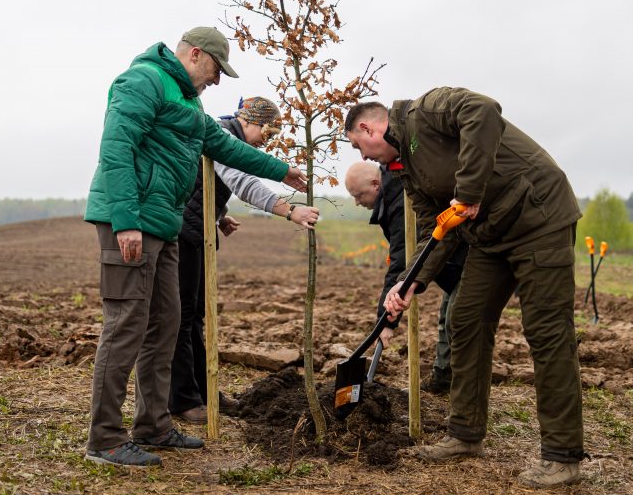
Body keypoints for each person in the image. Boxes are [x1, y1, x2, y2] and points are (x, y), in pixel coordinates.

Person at [83, 27, 307, 467]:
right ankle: (104, 438)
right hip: (131, 221)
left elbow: (223, 145)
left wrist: (281, 171)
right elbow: (116, 147)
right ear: (195, 54)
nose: (219, 81)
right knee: (126, 323)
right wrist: (126, 221)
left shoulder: (189, 100)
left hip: (165, 226)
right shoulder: (143, 80)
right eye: (216, 70)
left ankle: (152, 424)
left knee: (167, 322)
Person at [344, 88, 585, 488]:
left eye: (359, 146)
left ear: (369, 127)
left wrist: (469, 190)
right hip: (490, 236)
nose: (364, 157)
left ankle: (562, 456)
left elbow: (484, 110)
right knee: (465, 320)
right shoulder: (406, 172)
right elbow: (434, 232)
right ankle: (465, 433)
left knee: (547, 333)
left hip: (538, 217)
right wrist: (410, 281)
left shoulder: (427, 111)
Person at [170, 96, 320, 423]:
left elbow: (206, 182)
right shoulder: (222, 135)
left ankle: (204, 392)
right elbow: (242, 181)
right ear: (251, 121)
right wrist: (289, 210)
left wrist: (218, 214)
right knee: (183, 318)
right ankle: (183, 399)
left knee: (195, 316)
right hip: (182, 235)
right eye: (266, 133)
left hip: (197, 230)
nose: (266, 142)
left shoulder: (227, 135)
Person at [343, 162, 467, 393]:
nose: (357, 202)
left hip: (465, 260)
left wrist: (387, 322)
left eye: (358, 195)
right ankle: (443, 380)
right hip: (450, 267)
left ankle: (464, 390)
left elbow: (401, 260)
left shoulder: (401, 203)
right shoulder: (390, 198)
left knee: (456, 321)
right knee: (446, 319)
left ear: (375, 184)